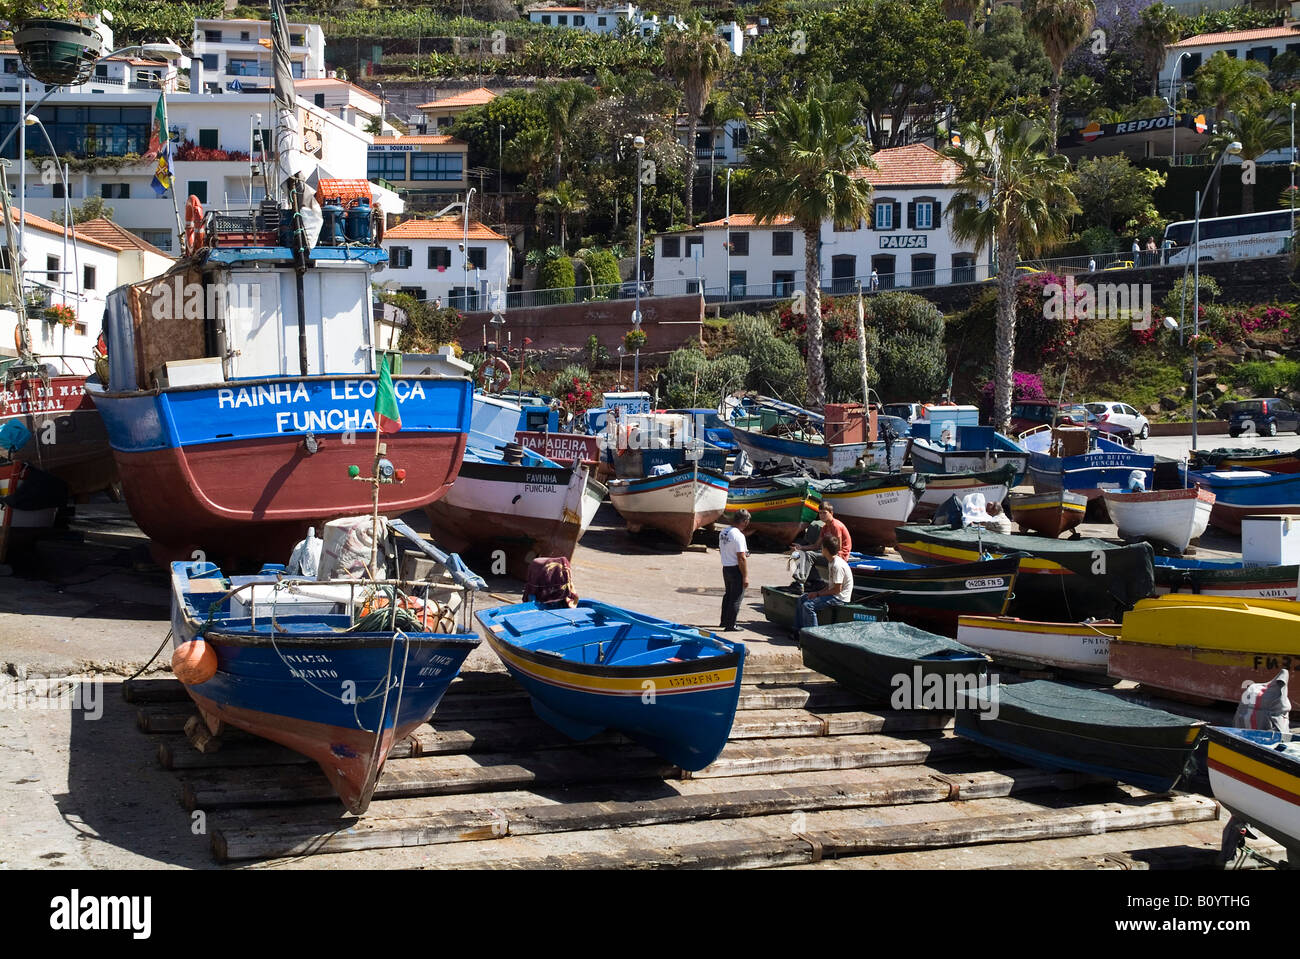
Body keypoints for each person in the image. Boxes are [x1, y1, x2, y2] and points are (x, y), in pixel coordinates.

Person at [794, 535, 853, 634]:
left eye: (822, 547)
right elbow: (831, 586)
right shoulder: (831, 562)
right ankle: (797, 631)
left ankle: (814, 636)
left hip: (840, 598)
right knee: (802, 599)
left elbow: (837, 590)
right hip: (834, 594)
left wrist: (817, 595)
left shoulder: (837, 565)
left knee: (808, 606)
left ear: (825, 549)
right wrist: (816, 592)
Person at [719, 510, 750, 631]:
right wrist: (745, 576)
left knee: (728, 595)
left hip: (726, 567)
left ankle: (724, 621)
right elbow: (741, 557)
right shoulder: (739, 535)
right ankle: (731, 624)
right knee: (736, 597)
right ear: (744, 521)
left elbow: (723, 549)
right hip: (735, 569)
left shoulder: (724, 531)